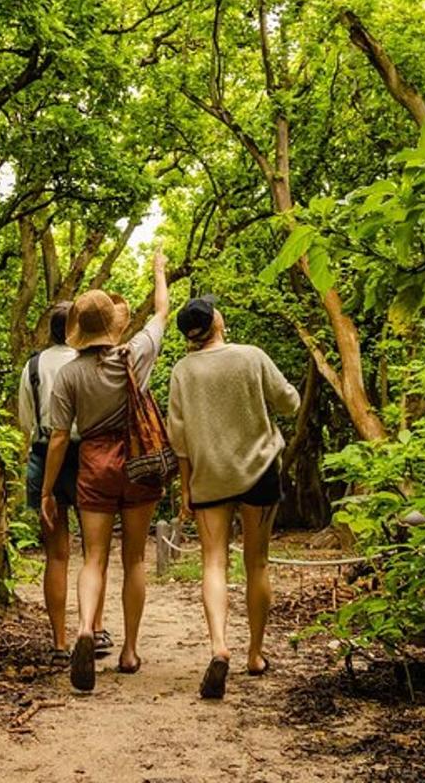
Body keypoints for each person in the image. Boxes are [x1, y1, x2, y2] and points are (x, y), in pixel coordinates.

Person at [41, 251, 170, 692]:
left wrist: (45, 492)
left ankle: (83, 630)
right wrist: (158, 271)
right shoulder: (136, 354)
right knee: (134, 557)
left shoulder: (69, 375)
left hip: (94, 463)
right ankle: (130, 650)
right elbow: (161, 311)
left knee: (92, 556)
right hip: (139, 462)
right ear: (112, 326)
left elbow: (59, 438)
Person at [167, 295, 300, 699]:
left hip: (209, 477)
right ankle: (255, 653)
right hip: (259, 470)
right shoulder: (251, 357)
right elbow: (290, 403)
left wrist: (185, 487)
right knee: (256, 562)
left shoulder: (182, 372)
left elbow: (180, 438)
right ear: (217, 321)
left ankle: (218, 646)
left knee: (213, 562)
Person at [17, 303, 110, 666]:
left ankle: (58, 642)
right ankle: (95, 628)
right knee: (95, 552)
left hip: (44, 456)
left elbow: (28, 420)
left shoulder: (34, 366)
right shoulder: (90, 362)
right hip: (88, 456)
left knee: (55, 555)